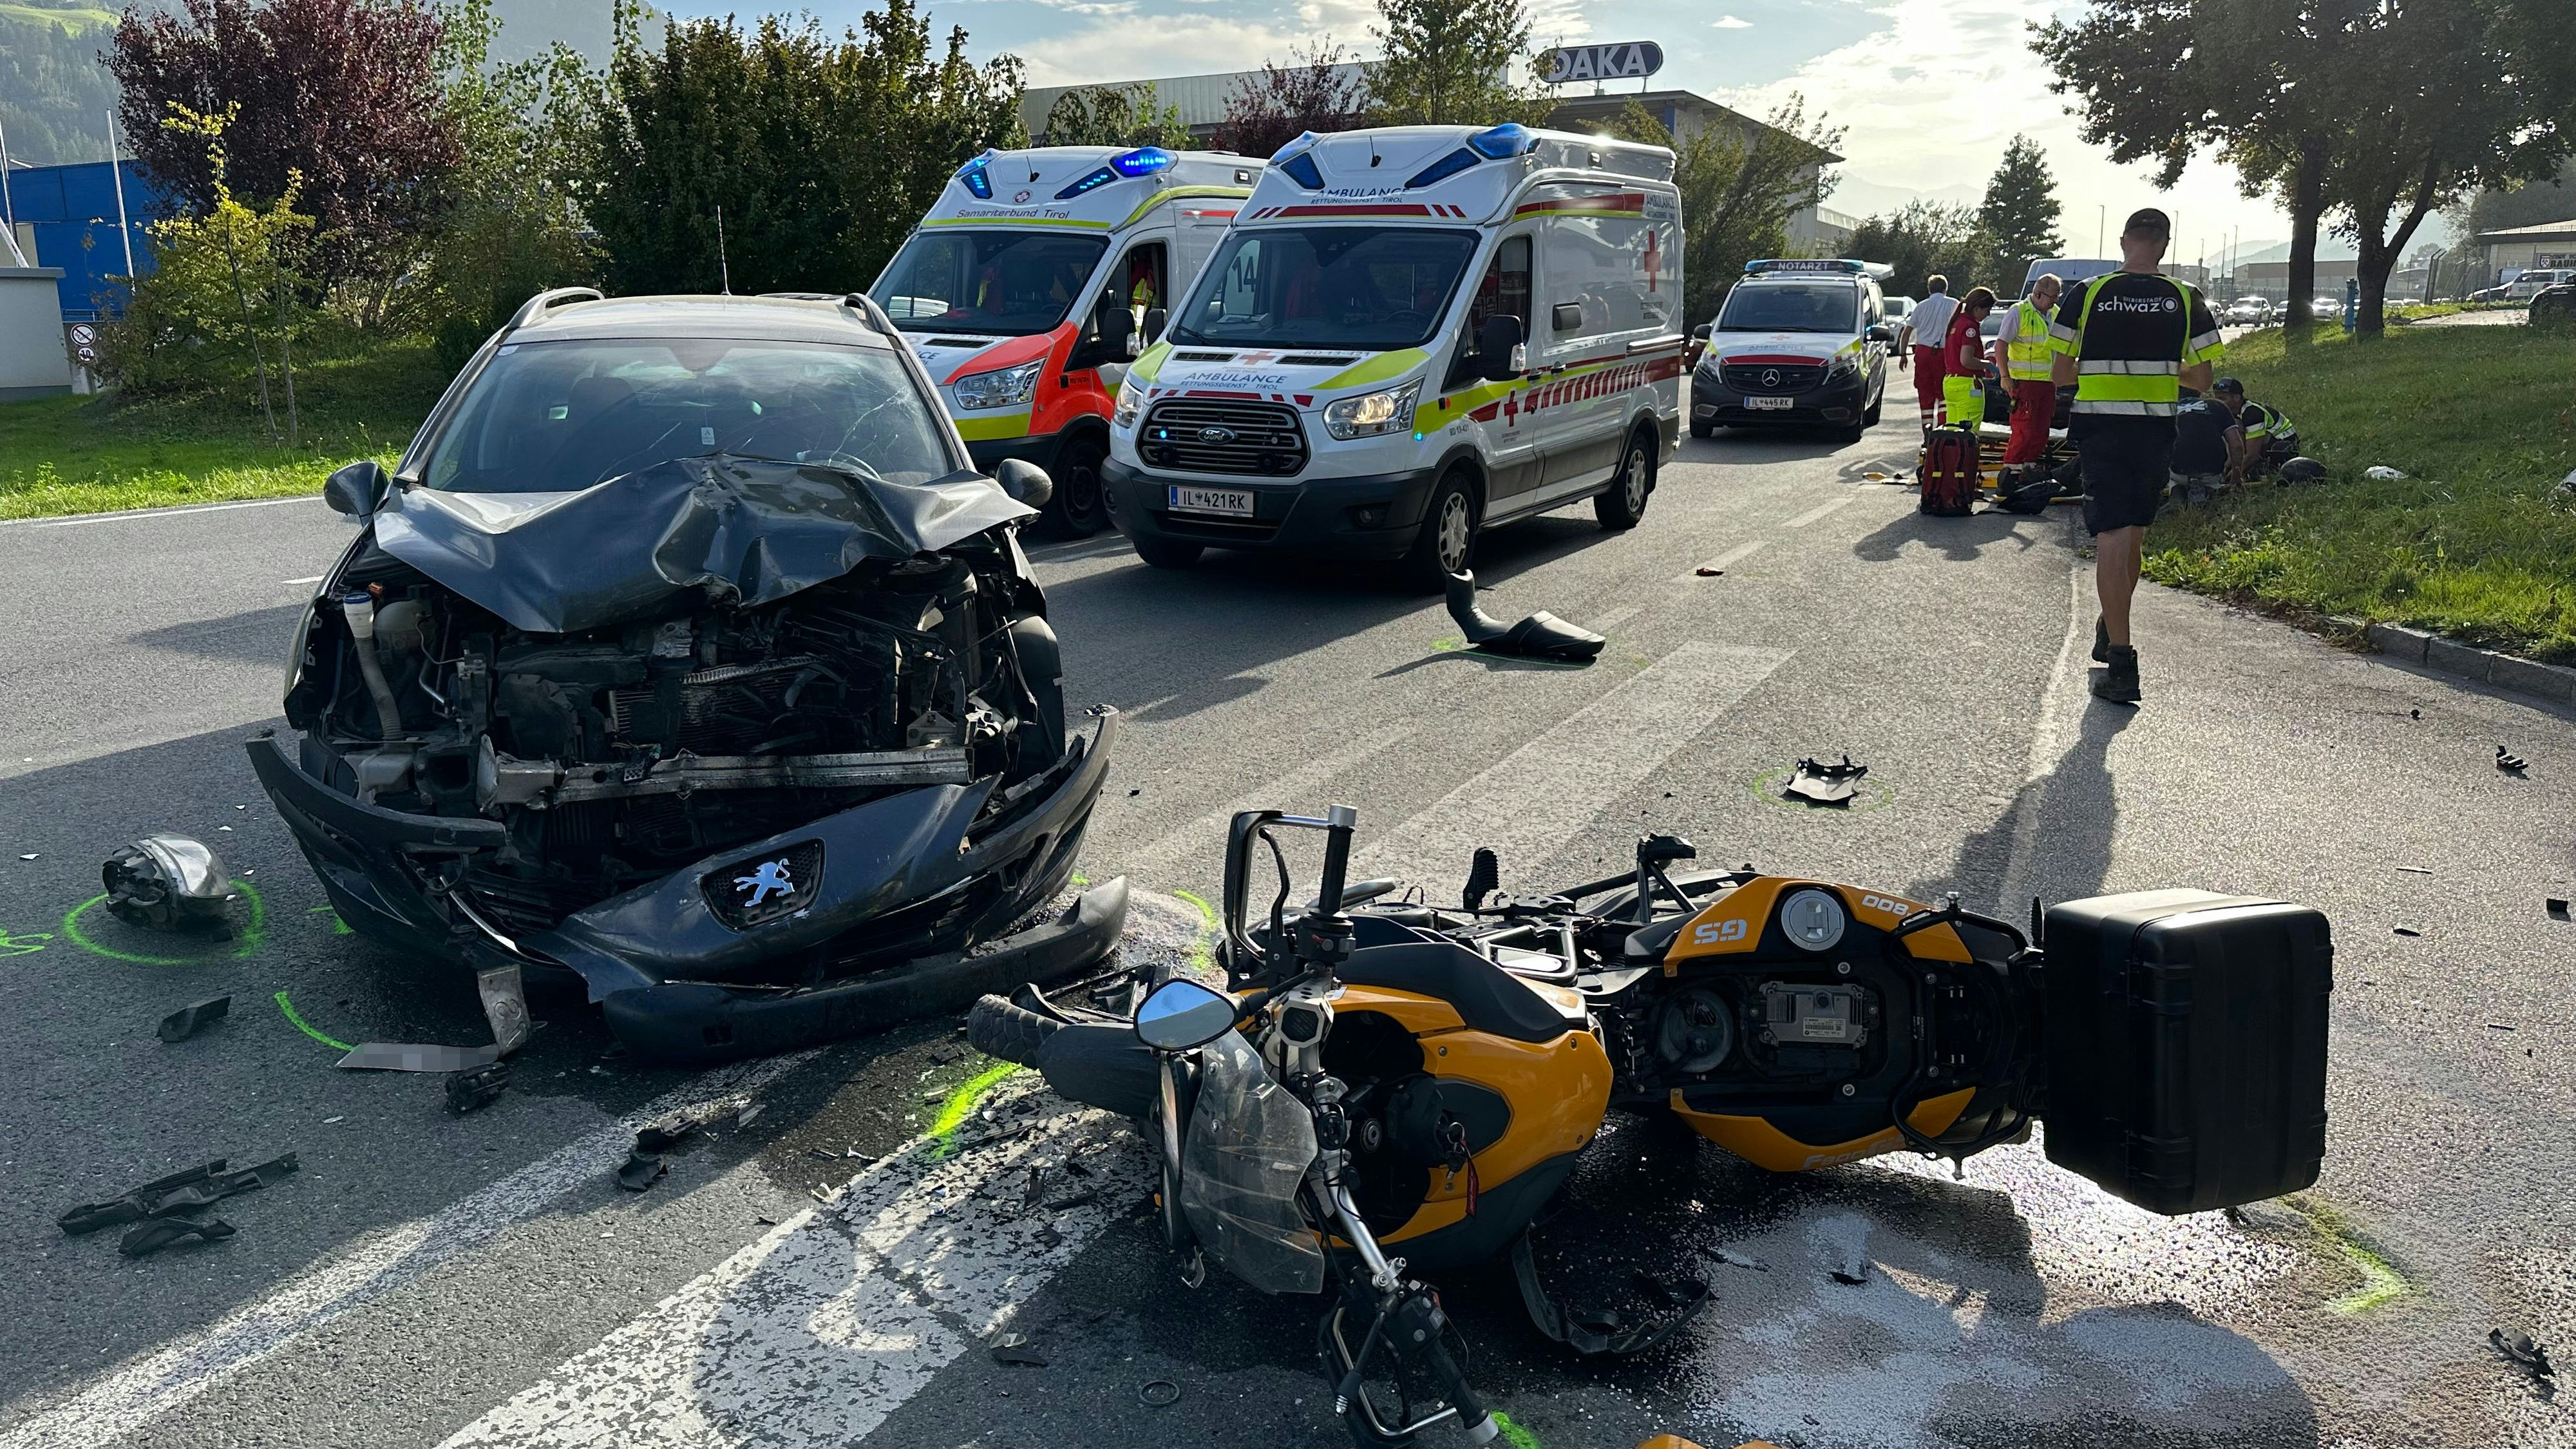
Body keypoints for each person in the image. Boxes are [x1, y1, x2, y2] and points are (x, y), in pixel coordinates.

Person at [2049, 207, 2222, 704]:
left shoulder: (2088, 294)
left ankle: (2122, 663)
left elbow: (2061, 374)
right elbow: (2203, 380)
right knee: (2135, 537)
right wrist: (2162, 370)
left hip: (2103, 429)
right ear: (2164, 246)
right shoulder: (2186, 298)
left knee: (2110, 536)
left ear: (2125, 242)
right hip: (2155, 430)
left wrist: (2105, 367)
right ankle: (2113, 624)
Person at [1996, 274, 2063, 467]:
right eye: (2053, 296)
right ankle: (2011, 472)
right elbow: (2001, 345)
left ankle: (2028, 471)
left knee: (2041, 432)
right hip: (2024, 383)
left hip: (2048, 383)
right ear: (2039, 294)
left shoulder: (2055, 313)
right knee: (2024, 430)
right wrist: (2004, 376)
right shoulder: (2019, 312)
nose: (2055, 300)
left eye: (2058, 296)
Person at [1942, 287, 1999, 449]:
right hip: (1968, 386)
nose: (1988, 314)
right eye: (1987, 310)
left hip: (1951, 383)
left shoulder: (1956, 322)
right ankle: (1965, 471)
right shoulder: (1970, 327)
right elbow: (1966, 361)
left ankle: (1951, 470)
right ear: (1977, 308)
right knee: (1968, 436)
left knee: (1952, 434)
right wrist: (1987, 364)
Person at [2168, 386, 2241, 508]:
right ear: (2199, 392)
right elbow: (2237, 445)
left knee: (2173, 476)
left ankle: (2176, 487)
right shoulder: (2219, 406)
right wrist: (2236, 479)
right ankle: (2211, 488)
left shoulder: (2168, 410)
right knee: (2213, 482)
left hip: (2179, 469)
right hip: (2212, 470)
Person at [2212, 378, 2298, 477]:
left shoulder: (2253, 414)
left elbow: (2252, 456)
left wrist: (2233, 477)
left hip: (2283, 448)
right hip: (2269, 446)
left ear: (2237, 398)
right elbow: (2239, 450)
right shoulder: (2236, 414)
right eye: (2216, 398)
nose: (2218, 403)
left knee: (2252, 474)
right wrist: (2223, 471)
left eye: (2222, 399)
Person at [1907, 276, 1959, 436]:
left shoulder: (1921, 306)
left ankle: (1927, 434)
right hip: (1944, 353)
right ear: (1945, 289)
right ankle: (1942, 431)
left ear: (1929, 289)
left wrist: (1903, 354)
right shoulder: (1954, 304)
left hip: (1923, 352)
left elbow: (1908, 331)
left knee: (1925, 393)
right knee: (1944, 393)